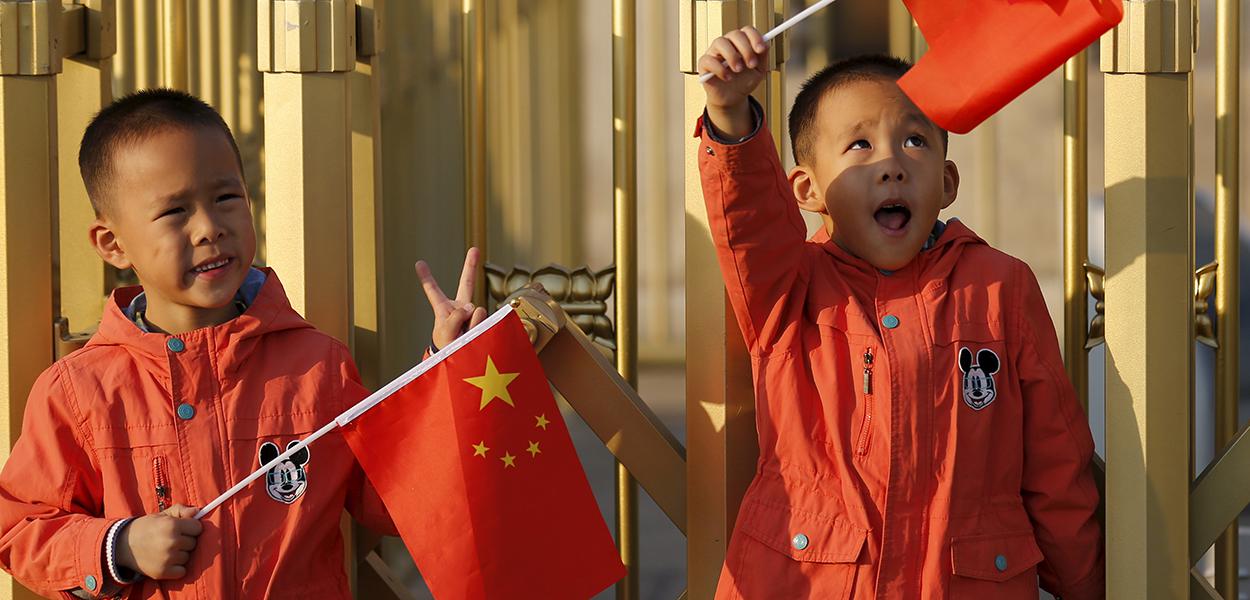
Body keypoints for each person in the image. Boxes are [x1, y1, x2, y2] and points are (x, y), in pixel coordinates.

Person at [695, 27, 1103, 599]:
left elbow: (1055, 457)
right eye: (859, 146)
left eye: (914, 140)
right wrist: (729, 114)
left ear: (948, 181)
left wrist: (1086, 584)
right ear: (807, 190)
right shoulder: (788, 286)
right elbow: (750, 219)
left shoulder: (999, 287)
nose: (891, 163)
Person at [0, 89, 409, 599]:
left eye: (226, 198)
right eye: (175, 211)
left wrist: (451, 373)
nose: (209, 229)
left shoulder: (318, 366)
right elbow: (20, 528)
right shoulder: (80, 390)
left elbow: (396, 501)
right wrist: (119, 546)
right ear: (113, 244)